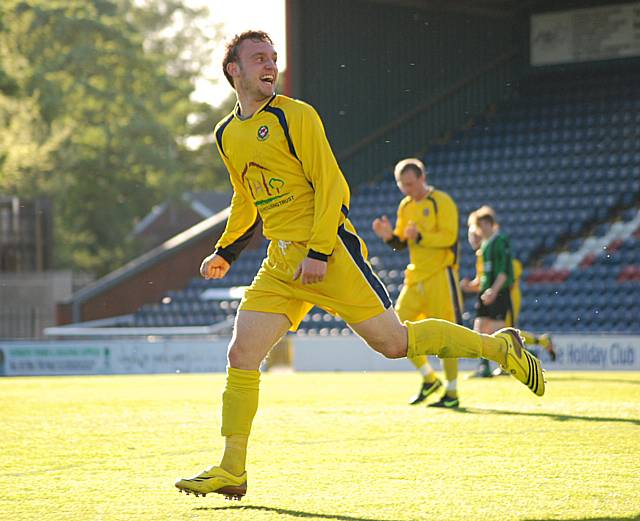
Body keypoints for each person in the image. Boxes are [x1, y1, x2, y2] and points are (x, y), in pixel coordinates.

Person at [175, 30, 545, 501]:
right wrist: (226, 251)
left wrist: (318, 250)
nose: (271, 65)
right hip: (280, 261)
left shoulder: (297, 115)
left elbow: (332, 185)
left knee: (394, 344)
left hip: (328, 254)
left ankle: (500, 350)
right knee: (241, 355)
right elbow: (246, 197)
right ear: (234, 70)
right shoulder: (226, 133)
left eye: (273, 57)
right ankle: (231, 469)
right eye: (259, 58)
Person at [372, 158, 463, 408]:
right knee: (396, 330)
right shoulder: (405, 206)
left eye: (410, 184)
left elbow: (450, 237)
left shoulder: (440, 201)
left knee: (447, 334)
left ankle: (452, 391)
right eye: (402, 185)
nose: (407, 190)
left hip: (440, 275)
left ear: (422, 178)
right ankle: (429, 378)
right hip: (416, 276)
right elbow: (402, 242)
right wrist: (389, 236)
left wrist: (420, 236)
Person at [461, 208, 556, 378]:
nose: (478, 231)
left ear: (489, 224)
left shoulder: (501, 241)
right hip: (486, 293)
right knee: (480, 329)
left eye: (480, 226)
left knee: (503, 331)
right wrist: (470, 286)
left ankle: (522, 359)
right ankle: (485, 367)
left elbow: (504, 272)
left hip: (501, 293)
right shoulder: (484, 248)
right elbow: (483, 277)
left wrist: (493, 290)